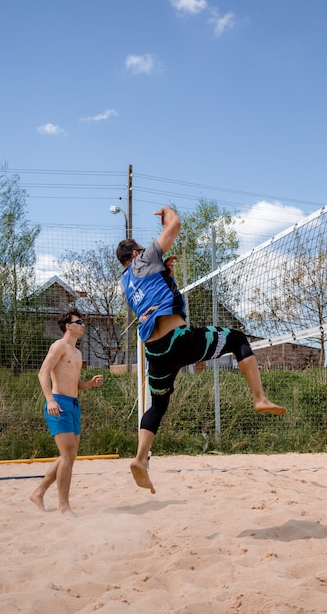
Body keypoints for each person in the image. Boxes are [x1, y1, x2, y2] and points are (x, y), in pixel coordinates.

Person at [116, 205, 287, 494]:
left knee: (158, 405)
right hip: (177, 341)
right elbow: (175, 226)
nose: (147, 250)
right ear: (135, 254)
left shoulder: (125, 282)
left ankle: (141, 458)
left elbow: (156, 293)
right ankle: (259, 398)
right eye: (143, 249)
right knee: (238, 339)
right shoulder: (143, 259)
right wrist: (168, 212)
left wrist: (167, 274)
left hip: (154, 353)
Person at [29, 308, 103, 515]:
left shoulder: (78, 353)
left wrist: (90, 384)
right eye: (79, 322)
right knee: (68, 455)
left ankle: (38, 493)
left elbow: (76, 383)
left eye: (83, 322)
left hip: (73, 404)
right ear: (68, 326)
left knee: (68, 457)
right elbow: (42, 373)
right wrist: (50, 400)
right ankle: (64, 507)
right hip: (58, 403)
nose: (83, 325)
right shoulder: (59, 346)